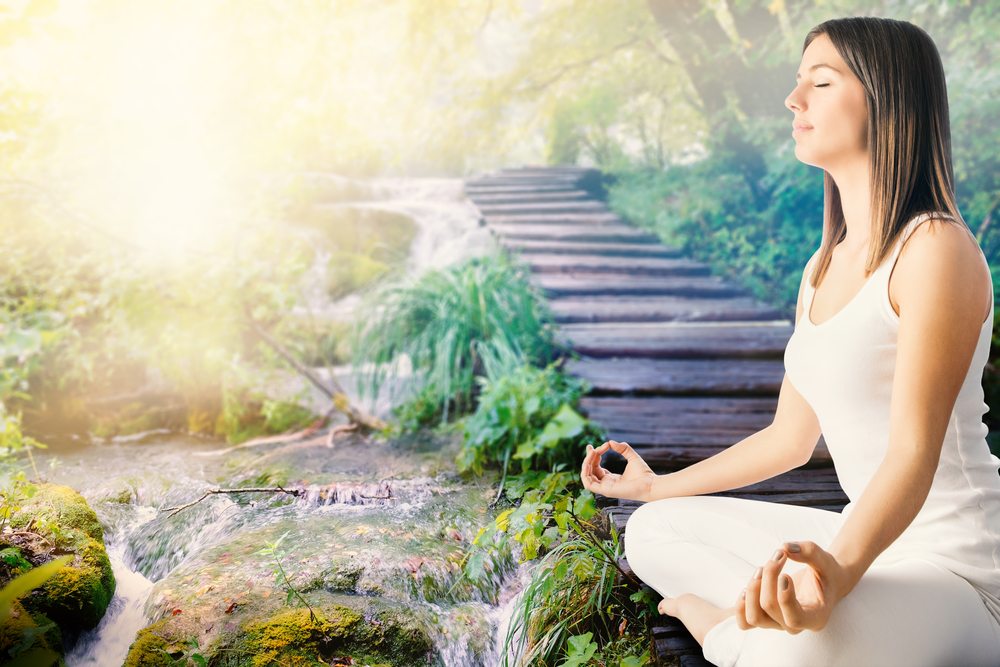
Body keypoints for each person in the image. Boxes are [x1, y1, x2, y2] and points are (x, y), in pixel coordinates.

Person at [580, 16, 1000, 667]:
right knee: (655, 531)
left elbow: (913, 454)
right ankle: (768, 622)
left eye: (820, 83)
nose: (793, 100)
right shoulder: (822, 265)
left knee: (805, 654)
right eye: (797, 82)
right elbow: (788, 439)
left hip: (965, 579)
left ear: (886, 100)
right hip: (870, 542)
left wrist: (835, 571)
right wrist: (657, 486)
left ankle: (721, 627)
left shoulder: (935, 249)